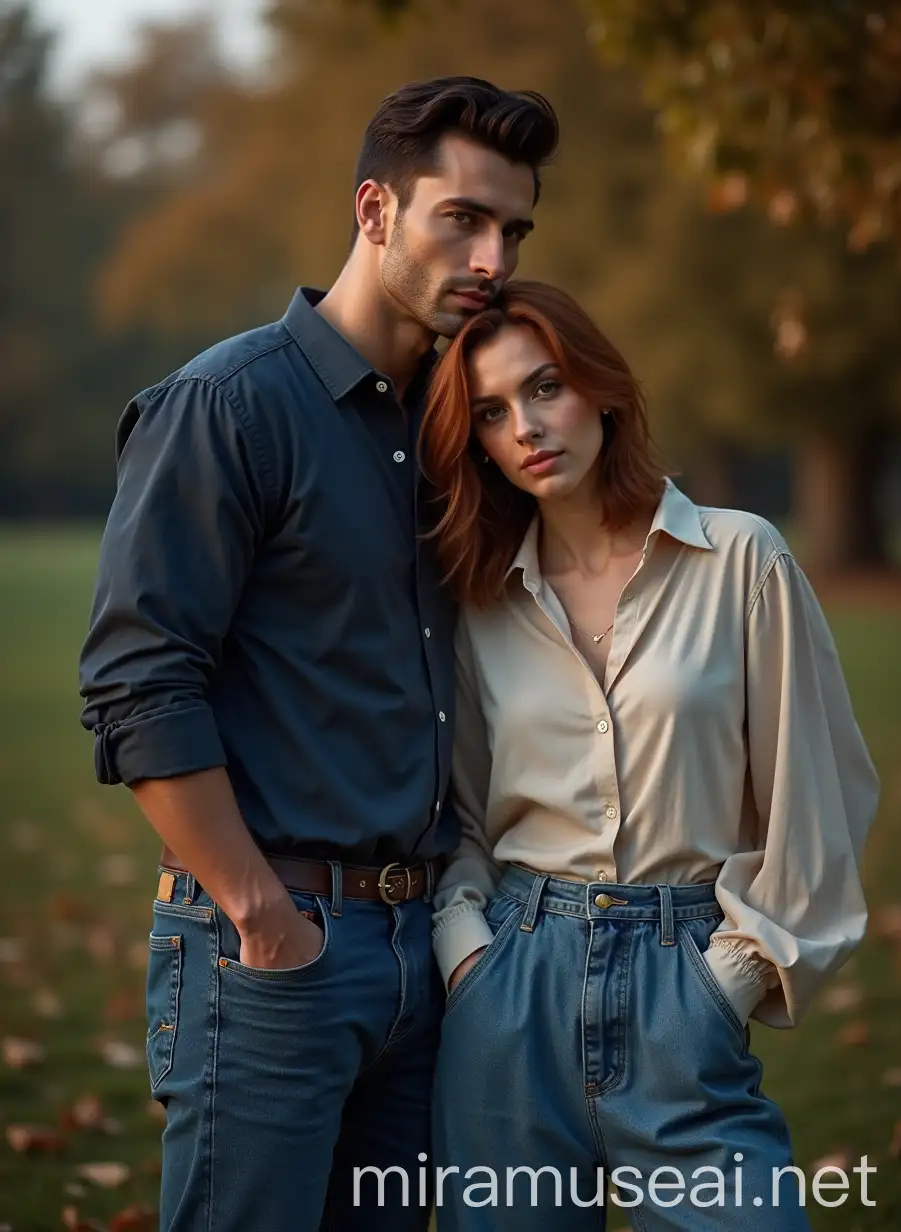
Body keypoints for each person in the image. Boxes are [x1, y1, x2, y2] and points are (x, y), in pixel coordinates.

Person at [78, 80, 559, 1232]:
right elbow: (139, 681)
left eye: (514, 231)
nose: (491, 255)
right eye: (463, 218)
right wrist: (261, 915)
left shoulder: (457, 428)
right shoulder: (227, 406)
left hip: (423, 947)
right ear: (376, 208)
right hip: (273, 949)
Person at [419, 280, 880, 1231]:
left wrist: (733, 977)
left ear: (602, 389)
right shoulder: (480, 603)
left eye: (545, 387)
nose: (527, 428)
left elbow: (816, 790)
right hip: (513, 991)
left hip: (685, 984)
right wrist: (470, 956)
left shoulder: (741, 561)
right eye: (494, 413)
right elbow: (460, 814)